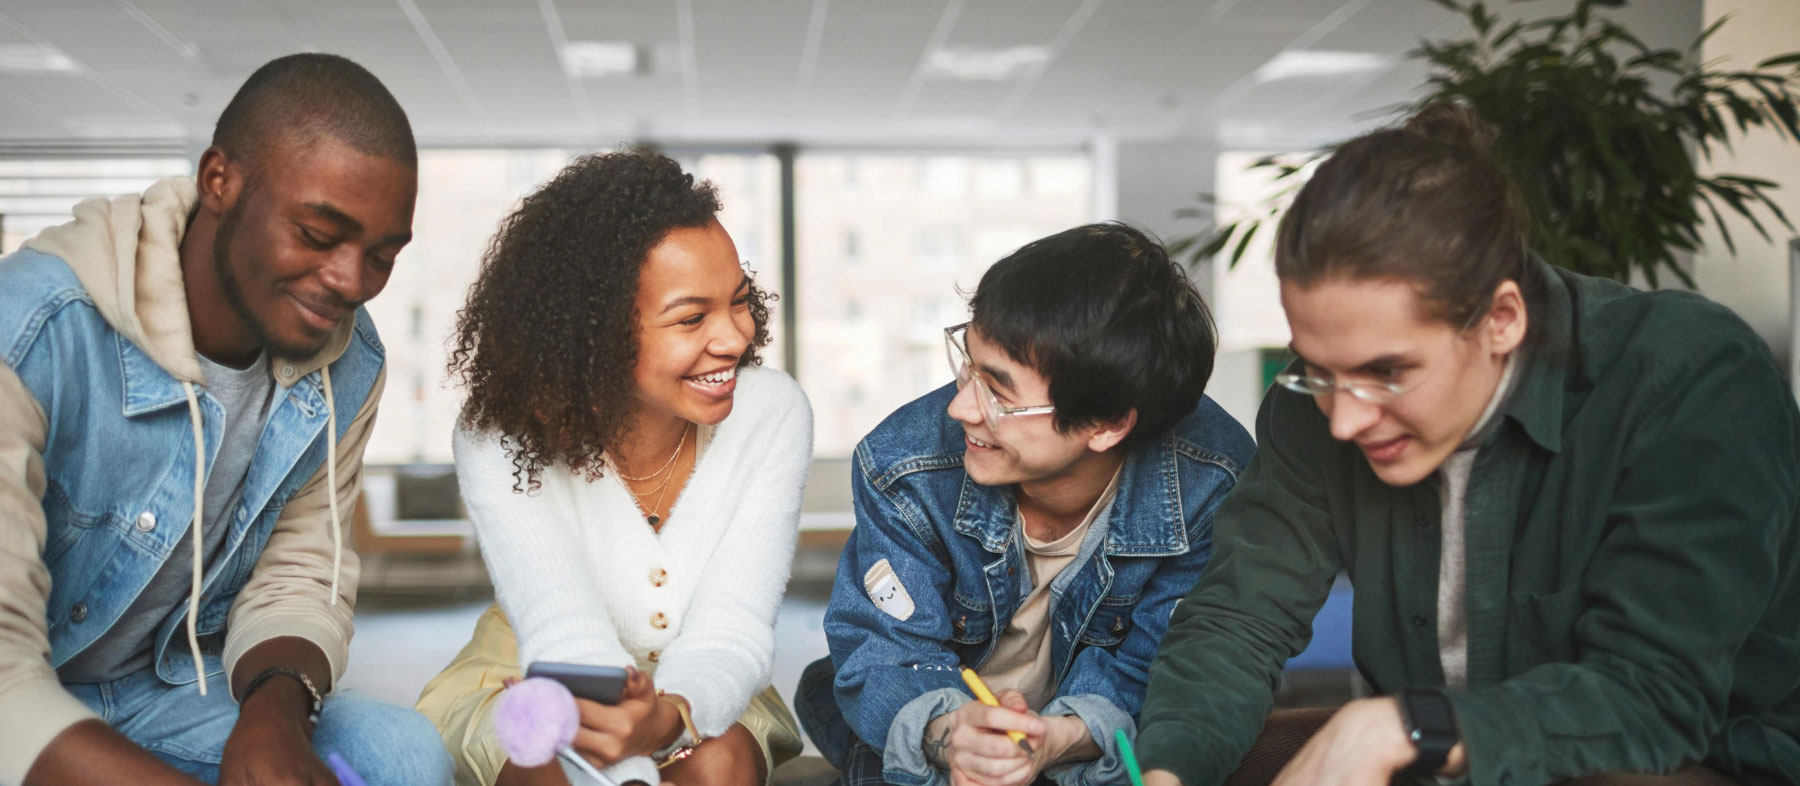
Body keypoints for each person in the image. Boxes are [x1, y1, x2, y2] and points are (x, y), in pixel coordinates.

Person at [1136, 104, 1800, 786]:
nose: (1343, 420)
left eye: (1387, 373)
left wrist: (1402, 727)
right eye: (1317, 369)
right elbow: (1239, 619)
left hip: (1692, 763)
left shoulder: (1691, 379)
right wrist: (1168, 771)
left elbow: (1655, 695)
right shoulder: (1312, 408)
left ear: (1503, 320)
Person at [0, 53, 454, 786]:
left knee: (399, 752)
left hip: (163, 690)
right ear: (220, 181)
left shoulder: (350, 361)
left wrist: (273, 719)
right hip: (23, 690)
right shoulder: (30, 330)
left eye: (380, 254)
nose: (349, 280)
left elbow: (302, 576)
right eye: (316, 233)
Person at [795, 222, 1256, 786]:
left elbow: (1167, 673)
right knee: (891, 748)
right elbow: (887, 653)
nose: (962, 407)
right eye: (969, 365)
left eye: (999, 390)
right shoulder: (904, 463)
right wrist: (953, 736)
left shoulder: (1210, 481)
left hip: (1092, 724)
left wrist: (1056, 740)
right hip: (938, 701)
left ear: (1107, 424)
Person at [414, 149, 812, 786]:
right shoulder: (500, 436)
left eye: (738, 302)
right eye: (691, 318)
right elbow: (562, 635)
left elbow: (731, 627)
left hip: (711, 676)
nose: (736, 338)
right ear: (592, 331)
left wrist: (673, 716)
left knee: (719, 766)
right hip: (537, 672)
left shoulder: (772, 413)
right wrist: (629, 764)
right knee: (547, 772)